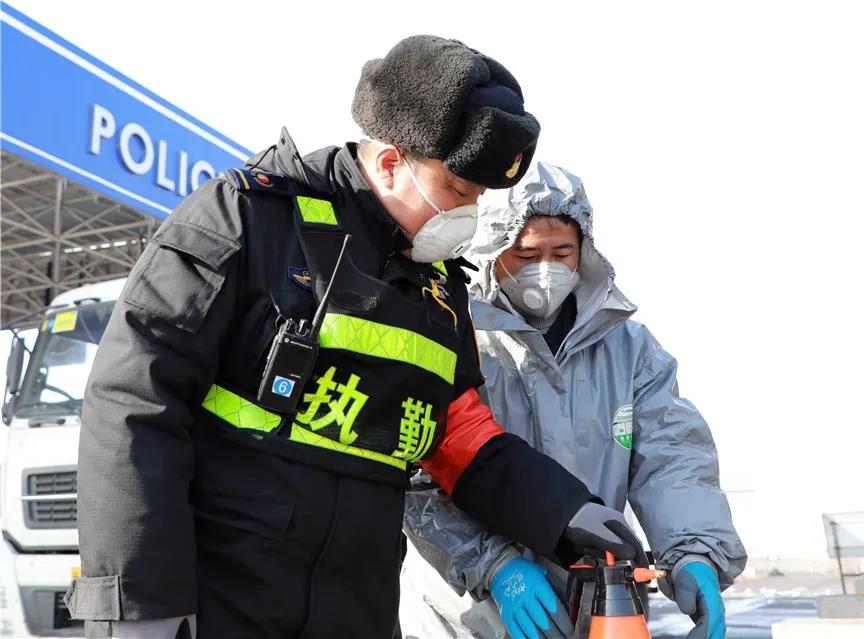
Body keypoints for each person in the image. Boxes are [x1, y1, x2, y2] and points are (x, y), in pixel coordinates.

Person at [65, 38, 643, 639]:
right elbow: (134, 400)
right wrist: (140, 602)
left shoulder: (439, 287)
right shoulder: (248, 219)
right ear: (391, 162)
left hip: (358, 611)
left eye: (477, 198)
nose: (468, 216)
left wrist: (565, 510)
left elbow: (460, 438)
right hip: (219, 604)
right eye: (456, 191)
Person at [401, 163, 747, 639]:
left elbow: (672, 459)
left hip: (596, 610)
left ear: (584, 251)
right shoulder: (453, 338)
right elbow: (415, 470)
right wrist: (493, 565)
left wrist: (695, 552)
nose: (545, 270)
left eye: (561, 252)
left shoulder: (629, 351)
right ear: (490, 251)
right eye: (526, 254)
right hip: (465, 617)